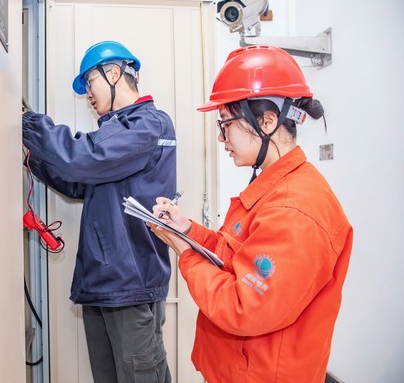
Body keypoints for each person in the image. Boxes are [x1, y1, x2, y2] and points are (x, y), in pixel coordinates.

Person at [149, 45, 353, 383]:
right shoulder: (274, 187)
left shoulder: (295, 210)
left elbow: (242, 306)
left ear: (267, 122)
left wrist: (185, 252)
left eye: (226, 124)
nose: (221, 137)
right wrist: (188, 230)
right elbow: (235, 258)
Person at [22, 40, 175, 383]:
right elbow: (80, 182)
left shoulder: (148, 124)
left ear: (114, 74)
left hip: (130, 282)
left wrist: (28, 124)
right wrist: (34, 159)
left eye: (89, 83)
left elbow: (85, 159)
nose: (88, 94)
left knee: (140, 376)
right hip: (105, 282)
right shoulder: (117, 130)